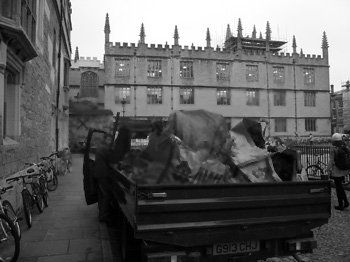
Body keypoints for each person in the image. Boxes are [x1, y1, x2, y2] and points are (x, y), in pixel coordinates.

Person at [327, 133, 350, 210]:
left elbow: (331, 160)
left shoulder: (333, 148)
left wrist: (327, 169)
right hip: (343, 170)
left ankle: (341, 205)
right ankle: (345, 202)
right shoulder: (344, 147)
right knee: (340, 187)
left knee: (338, 188)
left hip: (337, 171)